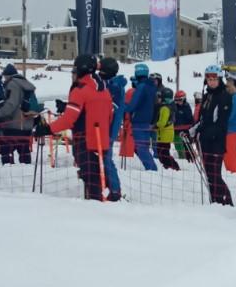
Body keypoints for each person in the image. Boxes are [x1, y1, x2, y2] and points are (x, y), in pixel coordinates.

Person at [35, 55, 113, 201]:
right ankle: (106, 205)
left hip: (85, 142)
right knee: (100, 178)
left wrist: (48, 129)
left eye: (73, 71)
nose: (72, 74)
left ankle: (98, 213)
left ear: (81, 71)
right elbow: (109, 116)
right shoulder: (105, 91)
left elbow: (69, 120)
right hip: (102, 141)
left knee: (91, 180)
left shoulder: (80, 90)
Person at [191, 64, 233, 205]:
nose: (211, 81)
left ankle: (226, 202)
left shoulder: (224, 96)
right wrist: (194, 129)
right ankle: (215, 201)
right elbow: (204, 118)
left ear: (220, 79)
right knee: (209, 175)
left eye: (214, 78)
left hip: (216, 142)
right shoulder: (207, 95)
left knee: (215, 175)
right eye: (209, 78)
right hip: (205, 142)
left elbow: (221, 123)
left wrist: (205, 133)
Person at [0, 64, 37, 164]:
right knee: (24, 150)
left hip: (14, 124)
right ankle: (27, 172)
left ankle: (8, 172)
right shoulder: (26, 83)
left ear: (8, 76)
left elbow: (11, 104)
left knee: (6, 150)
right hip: (27, 123)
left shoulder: (12, 84)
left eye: (4, 76)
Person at [98, 57, 126, 201]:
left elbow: (110, 108)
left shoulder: (114, 87)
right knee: (104, 157)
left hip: (109, 127)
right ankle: (112, 187)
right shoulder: (113, 84)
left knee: (106, 157)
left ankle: (115, 190)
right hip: (109, 126)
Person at [124, 63, 158, 170]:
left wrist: (125, 108)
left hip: (139, 120)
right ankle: (152, 168)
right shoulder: (151, 86)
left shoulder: (141, 87)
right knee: (144, 147)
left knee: (141, 148)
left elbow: (134, 103)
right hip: (148, 120)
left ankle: (151, 168)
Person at [154, 87, 180, 171]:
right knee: (163, 152)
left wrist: (155, 126)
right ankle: (168, 166)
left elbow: (162, 122)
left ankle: (173, 166)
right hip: (166, 134)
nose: (158, 99)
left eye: (159, 97)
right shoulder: (168, 107)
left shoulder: (164, 108)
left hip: (164, 135)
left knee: (162, 153)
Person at [172, 90, 194, 161]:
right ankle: (182, 159)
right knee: (178, 146)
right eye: (176, 100)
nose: (178, 102)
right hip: (175, 131)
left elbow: (190, 119)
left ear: (184, 99)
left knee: (187, 146)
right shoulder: (174, 107)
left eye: (180, 100)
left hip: (185, 131)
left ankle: (190, 160)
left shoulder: (186, 107)